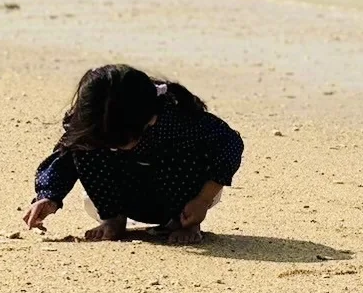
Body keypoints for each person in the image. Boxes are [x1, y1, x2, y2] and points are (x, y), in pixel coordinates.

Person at [22, 64, 244, 244]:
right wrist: (49, 196)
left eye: (123, 140)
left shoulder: (177, 118)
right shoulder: (93, 124)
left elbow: (230, 143)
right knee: (84, 149)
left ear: (149, 118)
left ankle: (184, 223)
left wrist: (203, 199)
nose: (117, 146)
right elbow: (65, 157)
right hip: (123, 194)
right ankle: (113, 220)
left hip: (189, 198)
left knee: (182, 151)